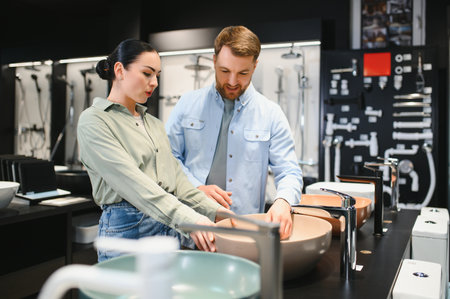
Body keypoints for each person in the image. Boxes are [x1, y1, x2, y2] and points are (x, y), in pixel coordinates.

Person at [77, 39, 229, 262]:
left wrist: (220, 214)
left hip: (167, 228)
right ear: (119, 70)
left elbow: (179, 183)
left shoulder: (155, 124)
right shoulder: (95, 120)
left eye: (157, 75)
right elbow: (135, 185)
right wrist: (190, 220)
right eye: (147, 73)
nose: (155, 82)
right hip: (126, 232)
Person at [165, 26, 303, 239]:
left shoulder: (271, 114)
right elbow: (168, 158)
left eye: (243, 73)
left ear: (255, 67)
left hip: (245, 234)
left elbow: (289, 171)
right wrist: (195, 188)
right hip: (189, 229)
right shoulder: (187, 104)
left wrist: (283, 201)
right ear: (214, 61)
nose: (231, 81)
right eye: (225, 71)